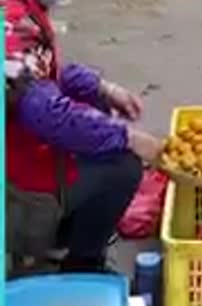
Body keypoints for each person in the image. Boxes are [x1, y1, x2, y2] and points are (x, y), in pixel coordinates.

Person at [5, 0, 164, 272]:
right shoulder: (13, 25)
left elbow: (45, 73)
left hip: (21, 157)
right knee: (122, 165)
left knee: (96, 112)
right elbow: (47, 112)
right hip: (14, 195)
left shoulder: (25, 11)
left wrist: (102, 88)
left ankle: (64, 233)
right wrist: (128, 137)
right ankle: (82, 263)